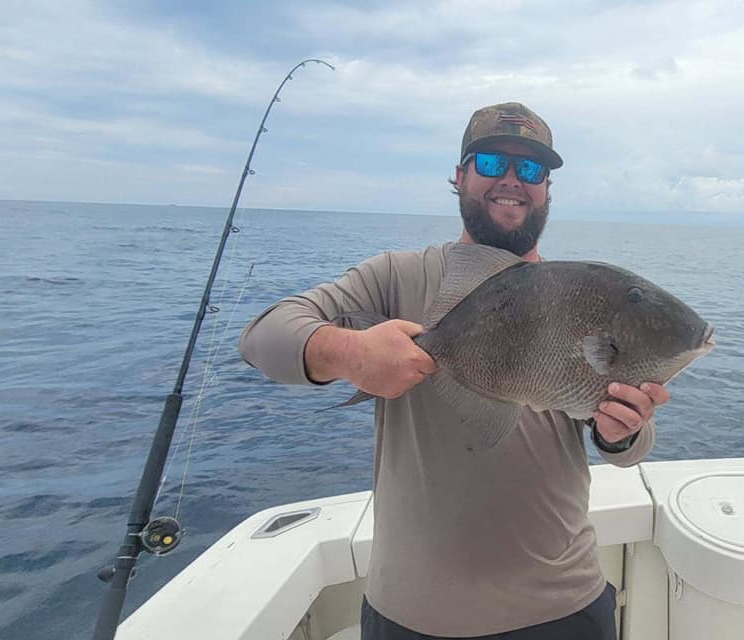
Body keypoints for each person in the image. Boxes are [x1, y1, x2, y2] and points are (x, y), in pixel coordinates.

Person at [239, 102, 667, 640]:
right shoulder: (397, 277)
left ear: (547, 190)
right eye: (492, 163)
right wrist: (351, 353)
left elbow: (632, 442)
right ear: (460, 175)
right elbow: (262, 336)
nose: (512, 180)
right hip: (413, 615)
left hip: (565, 607)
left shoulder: (578, 293)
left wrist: (621, 432)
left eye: (531, 169)